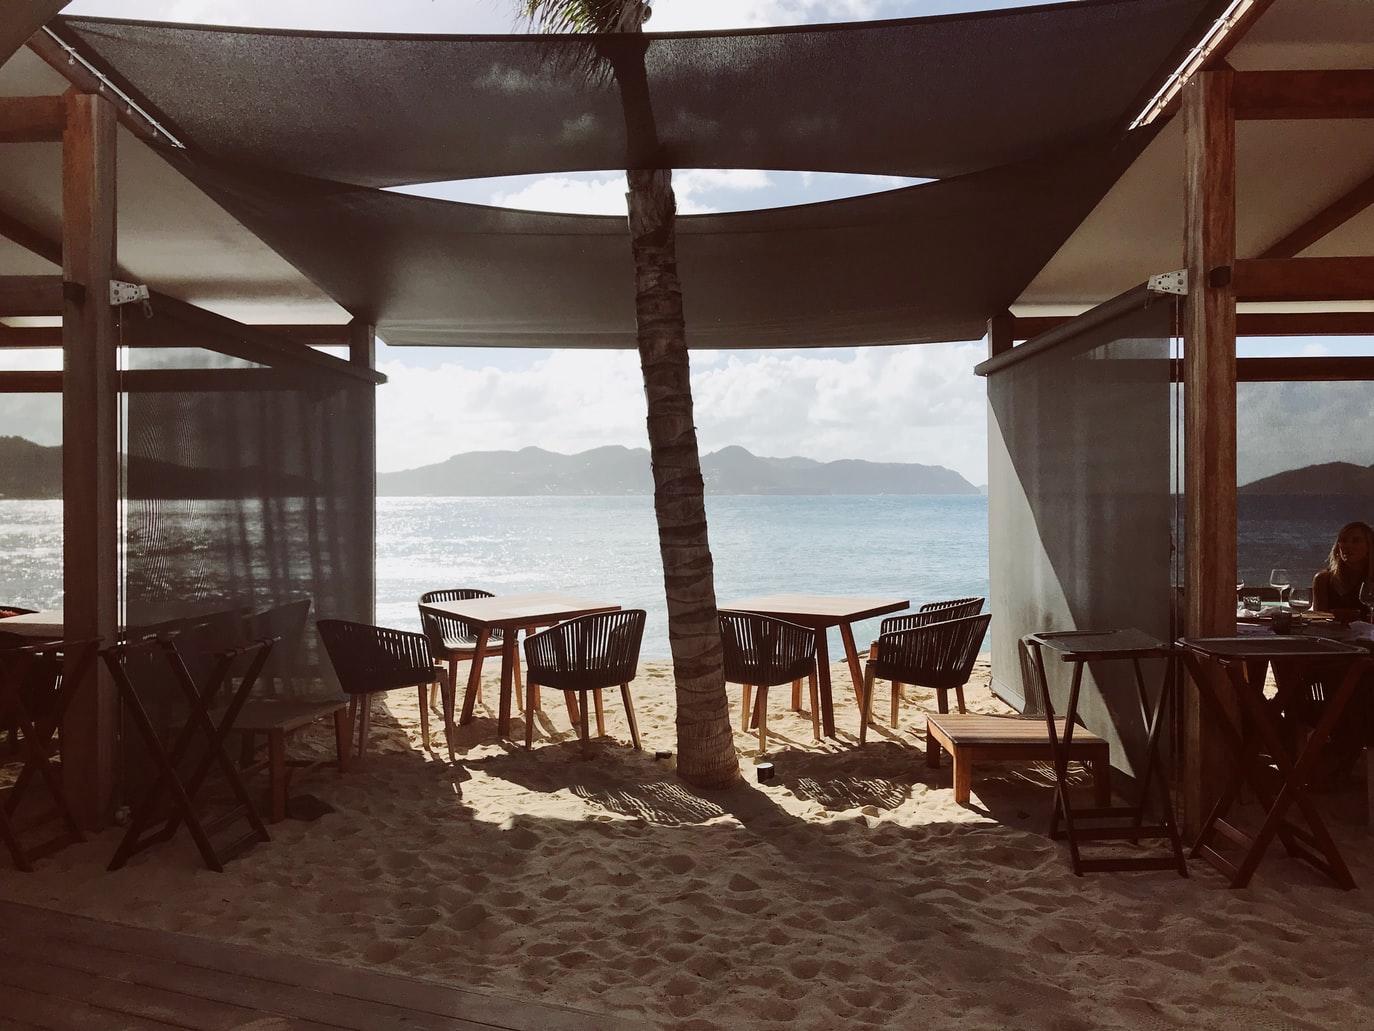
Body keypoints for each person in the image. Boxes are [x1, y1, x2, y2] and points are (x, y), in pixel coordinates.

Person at [1312, 520, 1373, 618]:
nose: (1348, 546)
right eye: (1343, 540)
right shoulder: (1323, 579)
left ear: (1369, 546)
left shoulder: (1371, 580)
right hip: (1332, 633)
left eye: (1356, 541)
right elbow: (1318, 620)